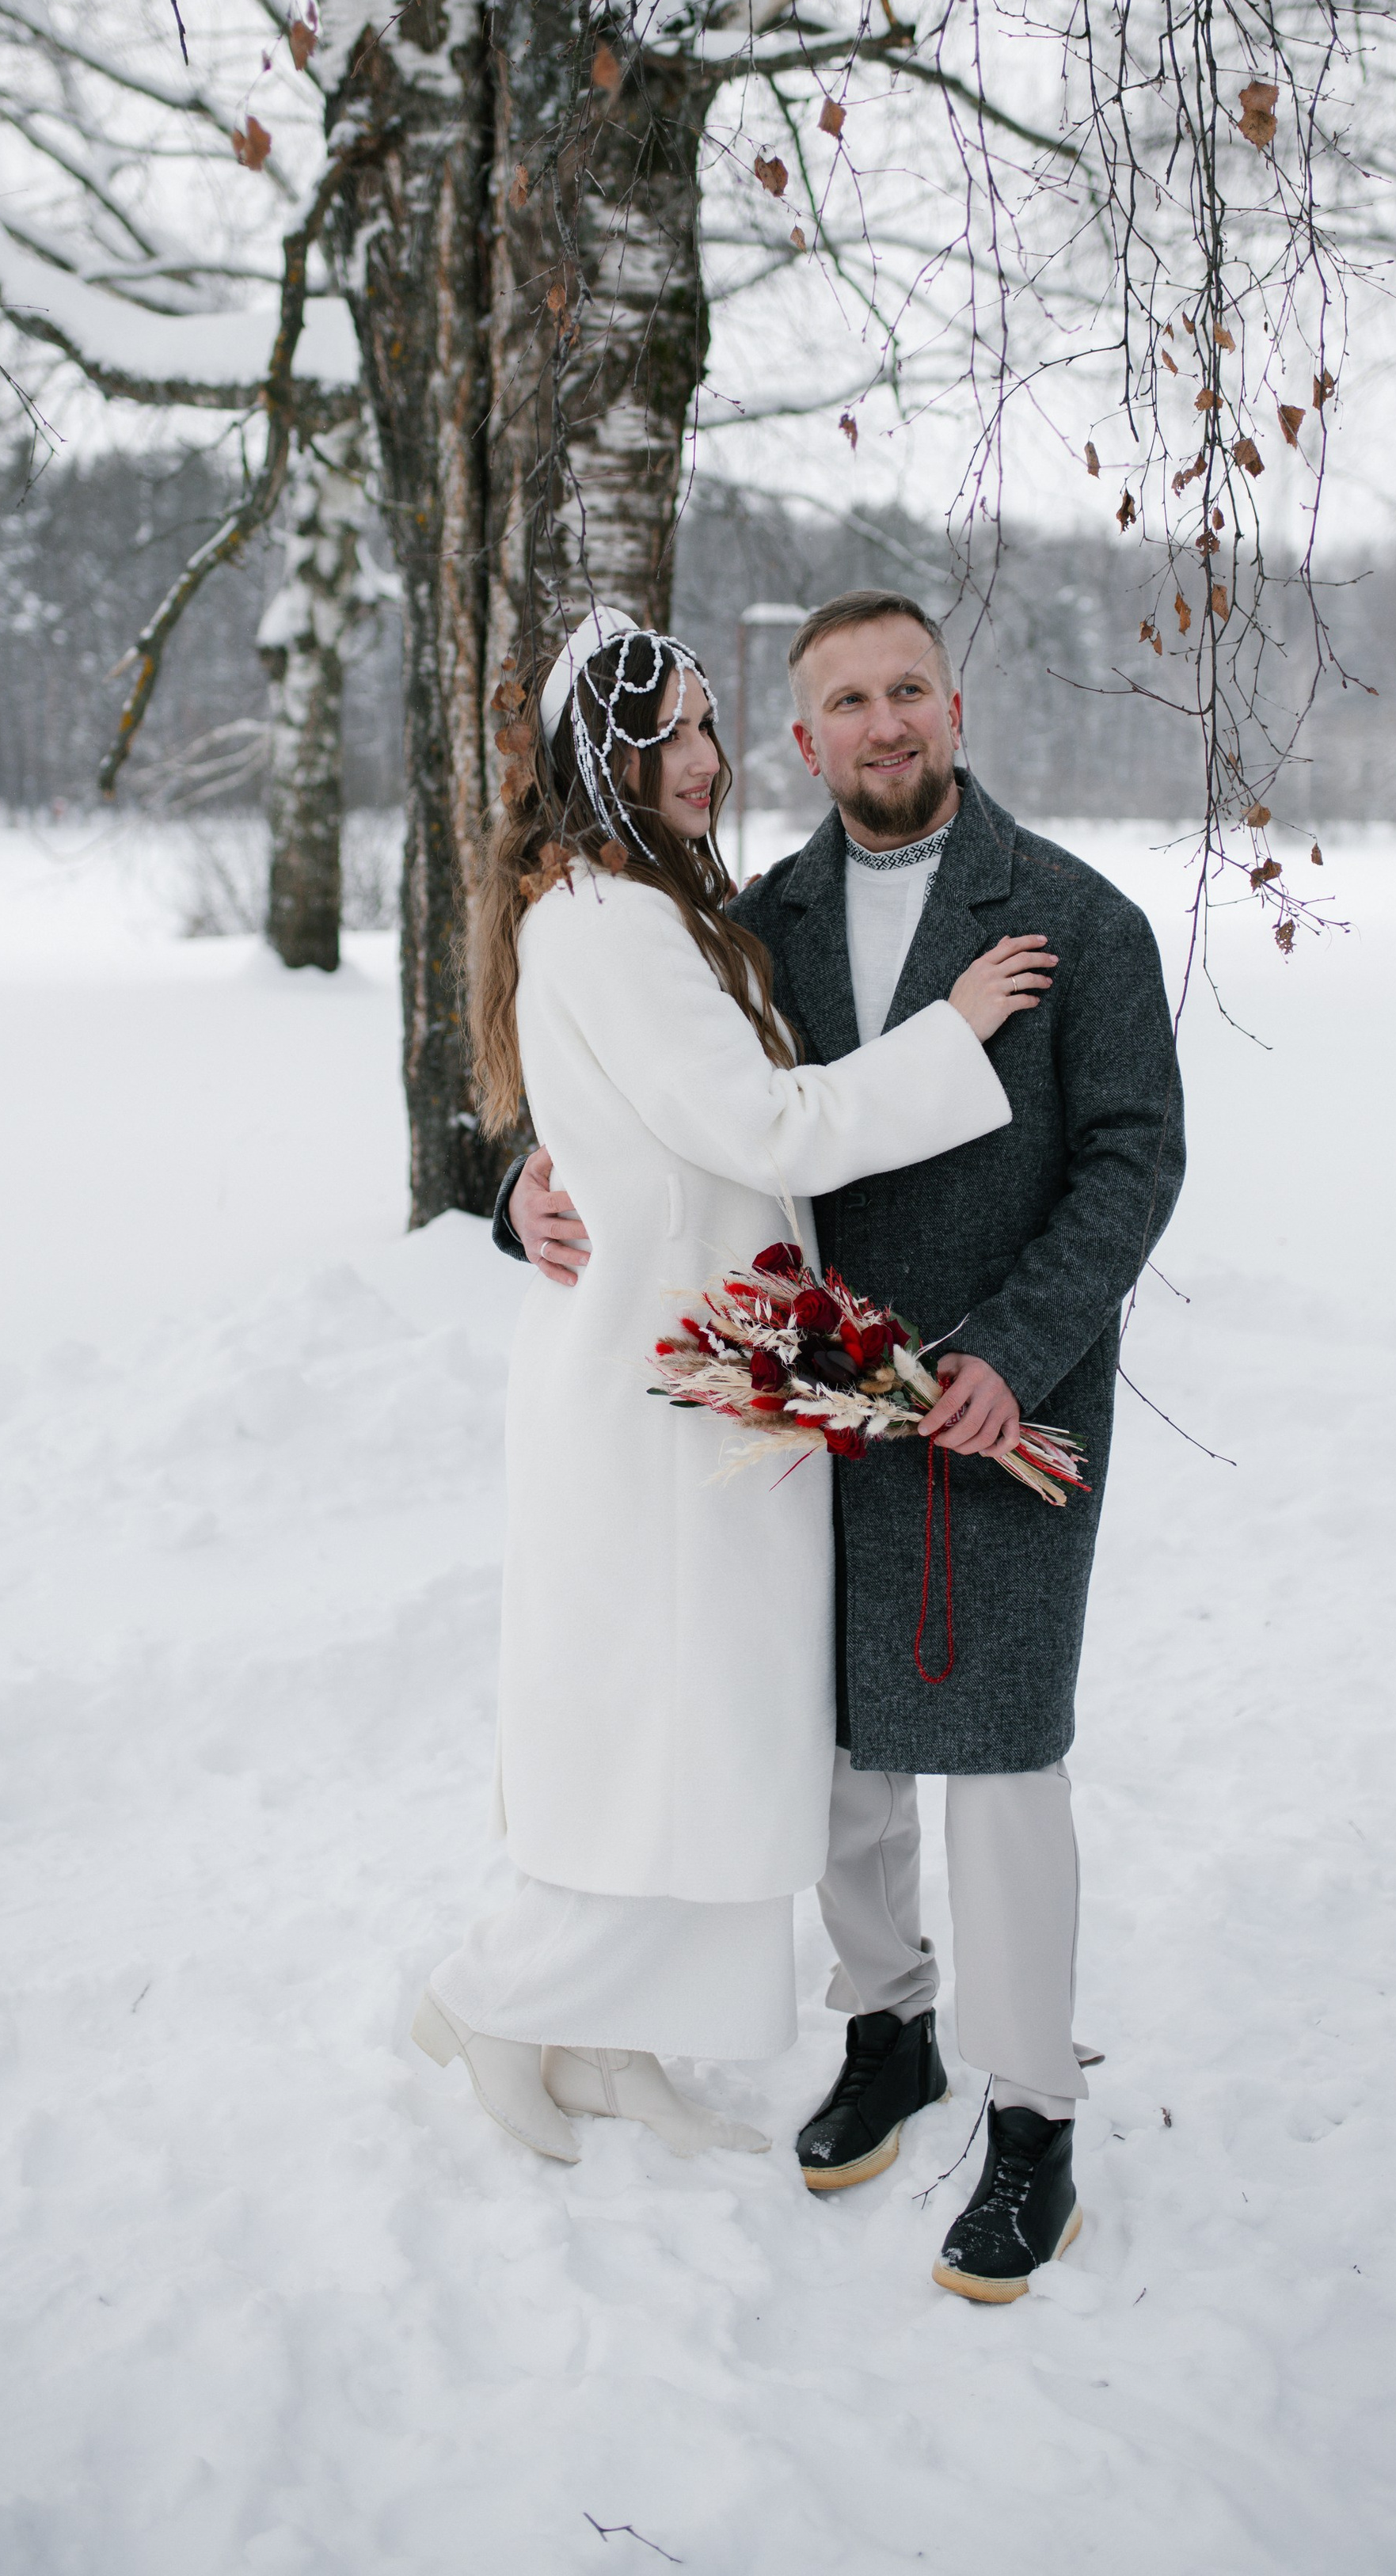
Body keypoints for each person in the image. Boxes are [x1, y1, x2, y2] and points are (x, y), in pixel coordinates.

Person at [501, 589, 1185, 2298]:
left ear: (951, 705)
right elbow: (640, 1085)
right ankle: (887, 2031)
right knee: (841, 1754)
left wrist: (1011, 1360)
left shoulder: (1073, 921)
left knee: (1002, 1766)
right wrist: (508, 1182)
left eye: (905, 691)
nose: (877, 724)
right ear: (803, 743)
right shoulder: (754, 919)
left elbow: (1129, 1164)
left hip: (1000, 1405)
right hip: (807, 1401)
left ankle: (1032, 2124)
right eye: (837, 705)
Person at [415, 607, 1057, 2170]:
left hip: (729, 1374)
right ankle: (503, 2006)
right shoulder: (607, 919)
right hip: (657, 1392)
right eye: (664, 738)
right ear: (597, 758)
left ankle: (616, 2040)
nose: (699, 763)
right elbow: (764, 1132)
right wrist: (954, 1033)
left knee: (703, 1731)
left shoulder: (653, 906)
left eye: (705, 728)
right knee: (652, 1723)